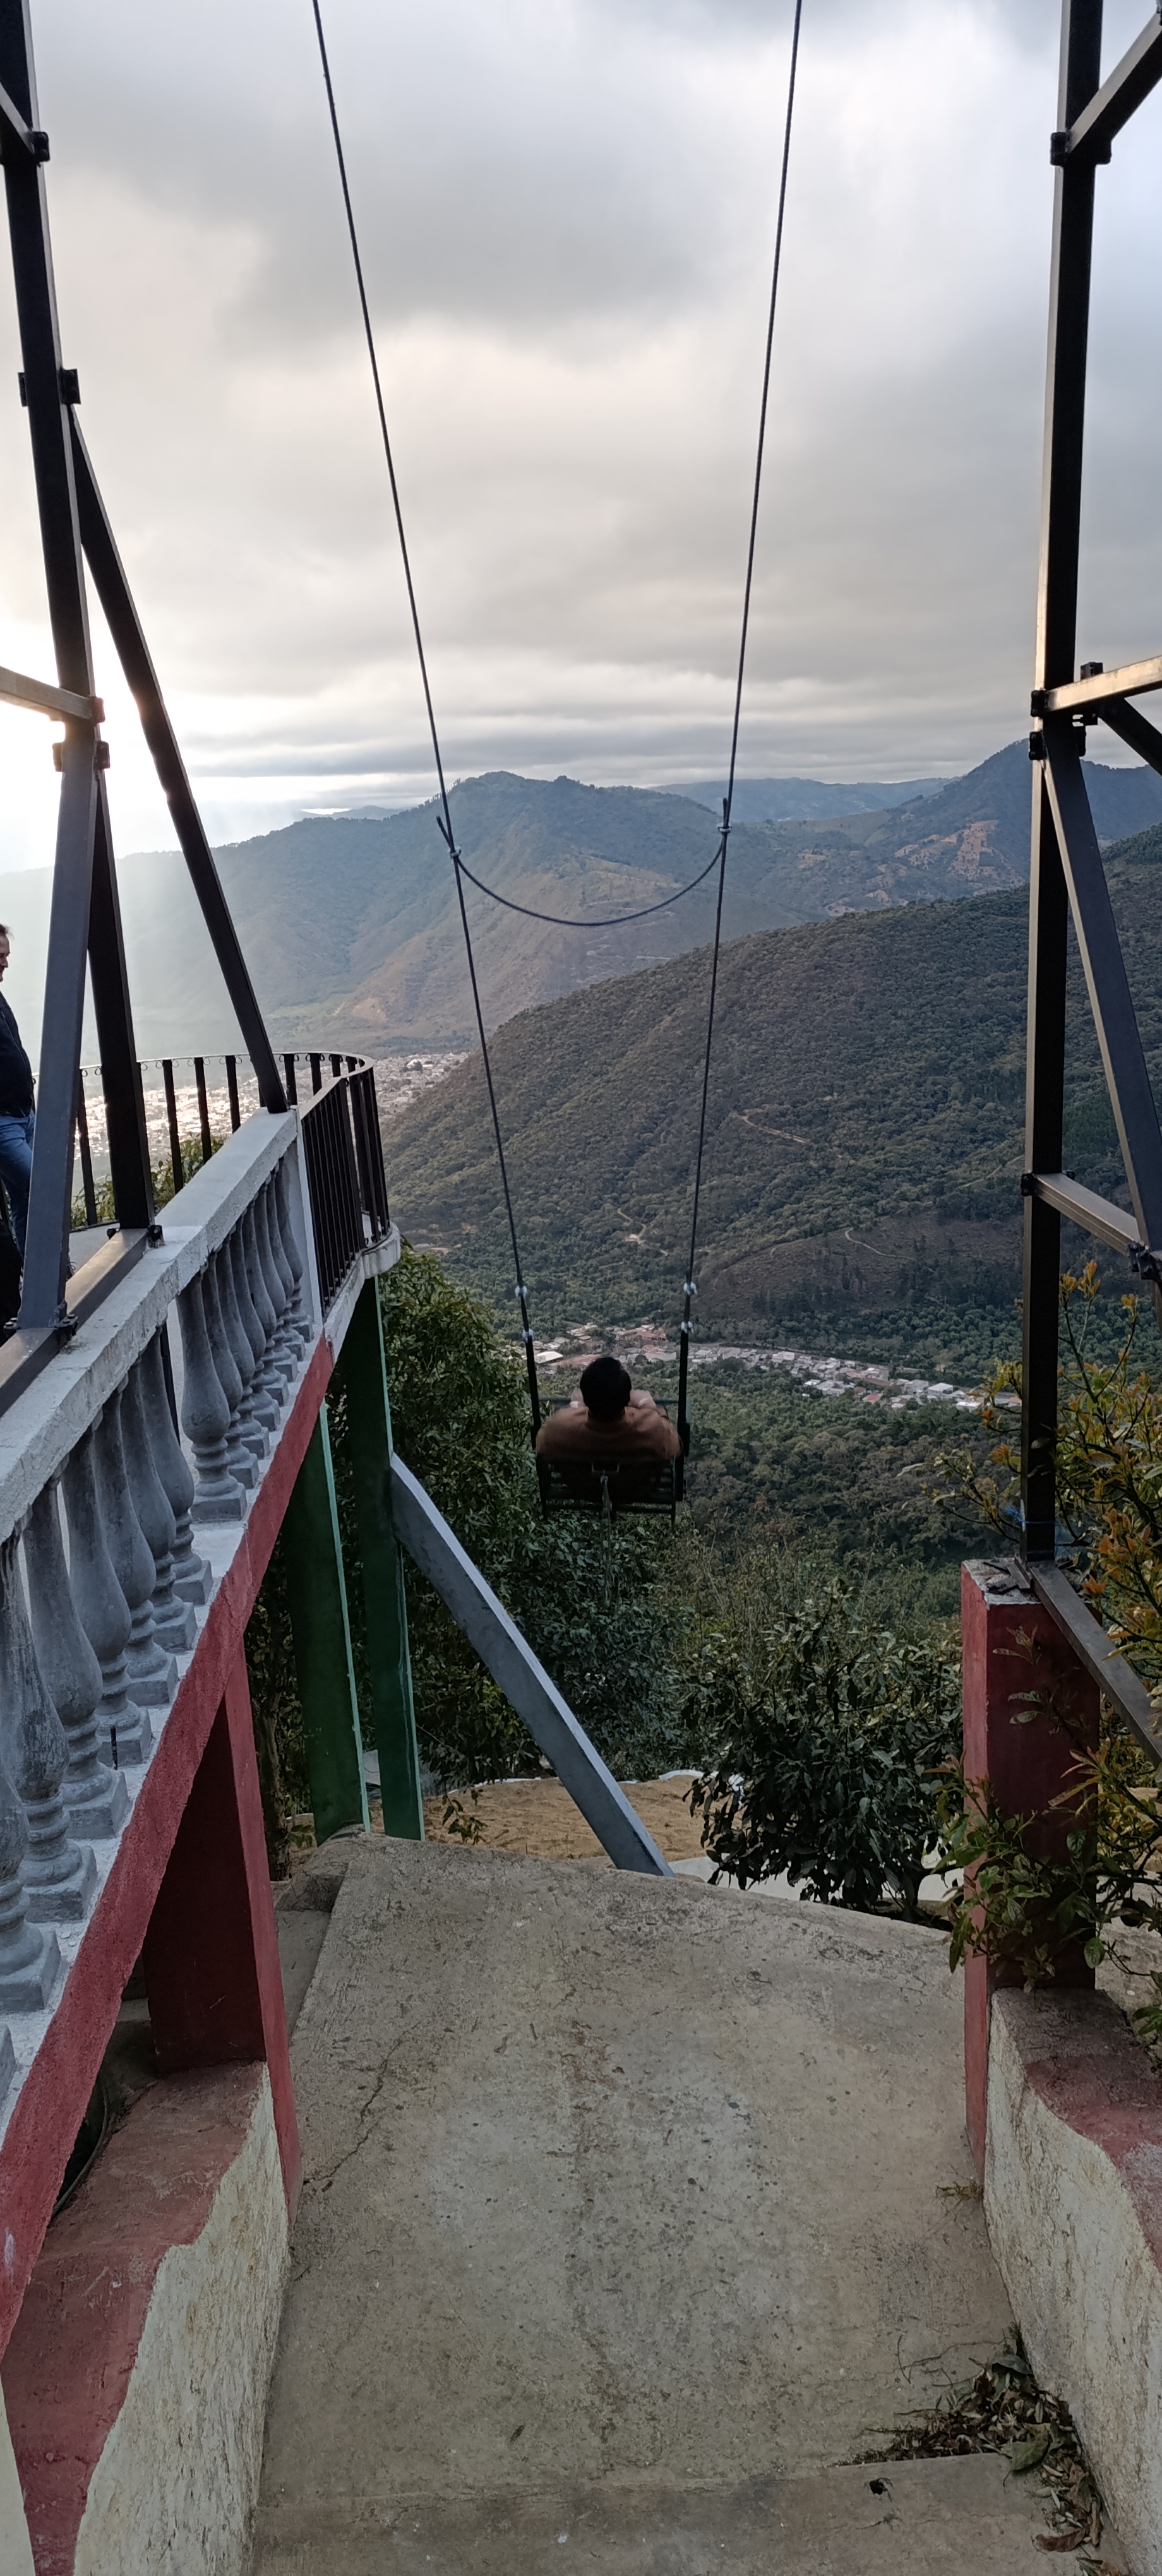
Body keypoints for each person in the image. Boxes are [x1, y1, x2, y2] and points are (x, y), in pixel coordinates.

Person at [536, 1352, 681, 1494]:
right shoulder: (653, 1430)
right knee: (661, 1407)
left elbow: (541, 1445)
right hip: (634, 1490)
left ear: (586, 1399)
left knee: (561, 1407)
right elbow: (676, 1447)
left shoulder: (559, 1430)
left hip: (583, 1489)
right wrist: (647, 1404)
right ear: (627, 1399)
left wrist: (575, 1406)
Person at [0, 924, 36, 1258]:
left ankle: (36, 1272)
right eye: (0, 956)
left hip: (24, 1115)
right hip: (3, 1122)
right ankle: (51, 1268)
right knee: (42, 1189)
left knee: (25, 1199)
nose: (6, 963)